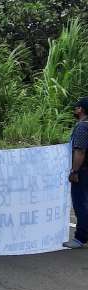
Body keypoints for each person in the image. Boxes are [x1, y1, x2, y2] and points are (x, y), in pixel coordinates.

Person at [64, 97, 88, 249]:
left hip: (83, 171)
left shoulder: (81, 127)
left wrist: (74, 171)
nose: (75, 110)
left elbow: (80, 151)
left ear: (81, 109)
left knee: (80, 204)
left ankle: (80, 238)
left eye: (76, 107)